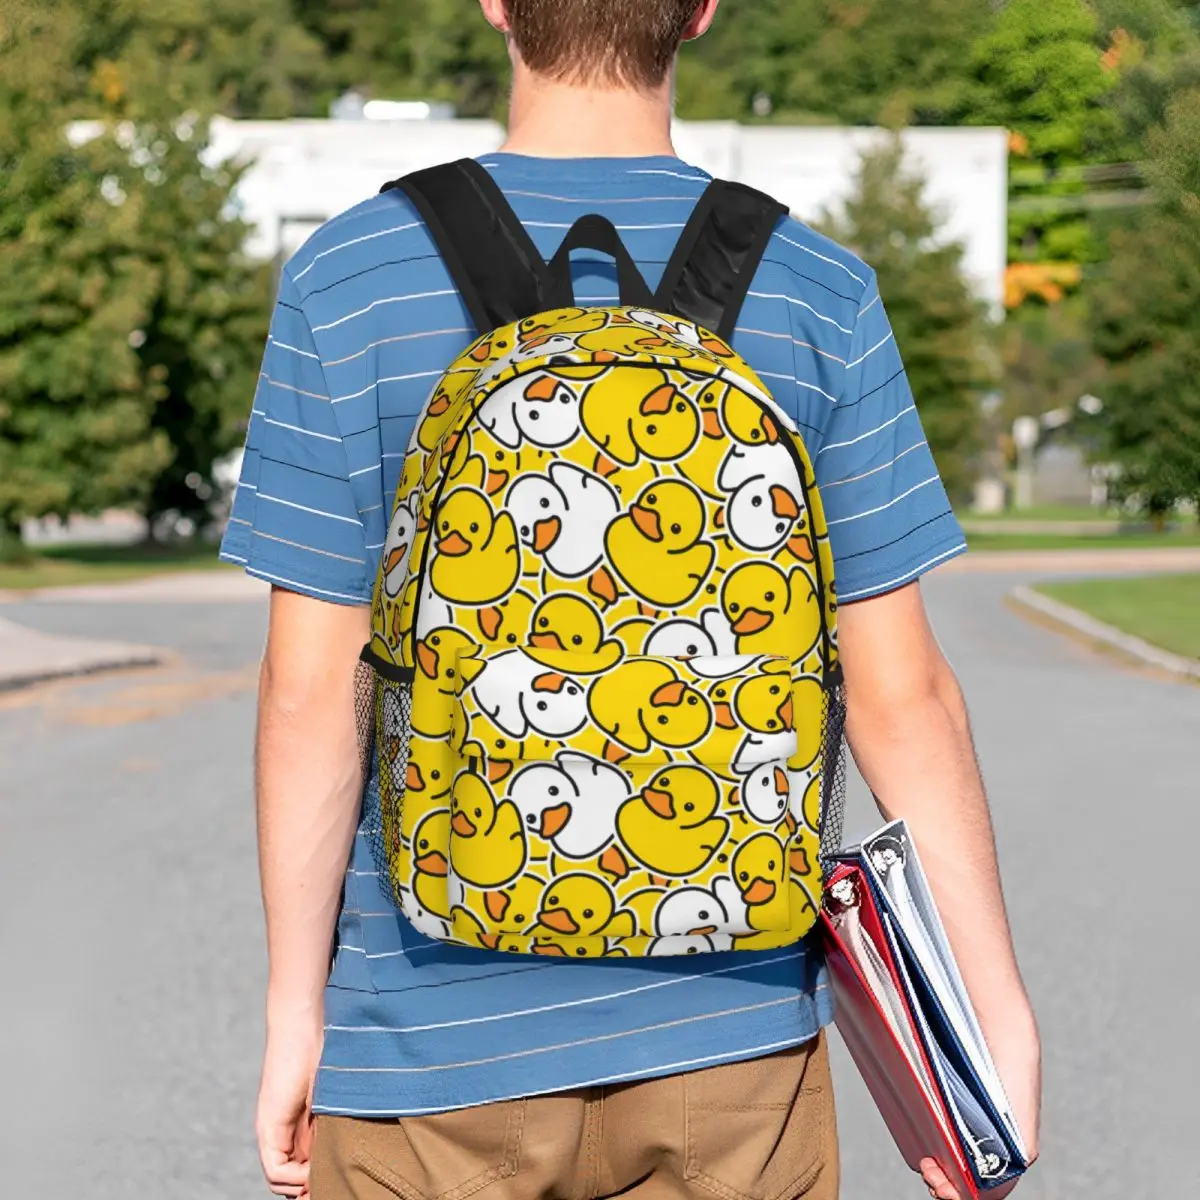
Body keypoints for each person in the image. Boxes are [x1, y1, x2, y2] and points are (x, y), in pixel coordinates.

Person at [221, 2, 1041, 1198]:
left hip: (426, 1043)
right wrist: (987, 1012)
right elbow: (902, 694)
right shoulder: (818, 289)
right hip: (735, 1042)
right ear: (701, 10)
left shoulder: (351, 278)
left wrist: (298, 1012)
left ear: (497, 3)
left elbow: (309, 691)